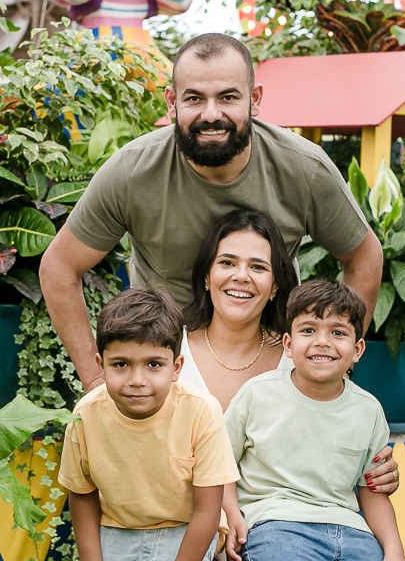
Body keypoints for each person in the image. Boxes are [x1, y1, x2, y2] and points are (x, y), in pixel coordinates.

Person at [39, 32, 385, 396]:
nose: (211, 114)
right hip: (164, 363)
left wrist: (336, 370)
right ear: (172, 102)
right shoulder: (132, 171)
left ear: (254, 100)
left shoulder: (303, 168)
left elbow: (362, 256)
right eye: (194, 98)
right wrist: (95, 381)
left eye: (228, 97)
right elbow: (60, 267)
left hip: (272, 361)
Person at [178, 210, 400, 561]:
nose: (242, 276)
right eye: (227, 262)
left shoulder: (302, 359)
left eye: (258, 267)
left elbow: (342, 452)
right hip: (179, 520)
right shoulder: (166, 351)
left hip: (265, 527)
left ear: (277, 284)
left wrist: (376, 476)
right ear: (206, 274)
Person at [223, 281, 405, 561]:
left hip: (347, 529)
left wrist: (395, 553)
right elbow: (220, 465)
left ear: (357, 350)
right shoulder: (257, 395)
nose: (322, 342)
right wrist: (232, 515)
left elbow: (372, 491)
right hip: (277, 523)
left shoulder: (368, 410)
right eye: (308, 331)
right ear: (288, 345)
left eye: (337, 333)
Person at [59, 287, 240, 561]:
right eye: (121, 364)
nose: (137, 379)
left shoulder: (201, 412)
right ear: (100, 363)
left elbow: (208, 513)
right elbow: (82, 492)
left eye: (153, 364)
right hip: (116, 531)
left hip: (183, 530)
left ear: (176, 367)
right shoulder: (86, 414)